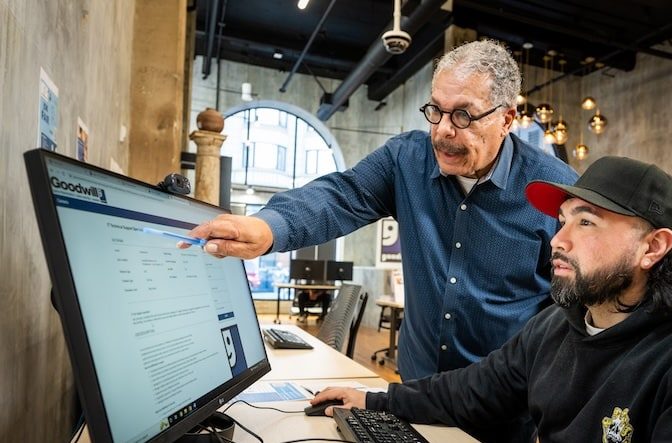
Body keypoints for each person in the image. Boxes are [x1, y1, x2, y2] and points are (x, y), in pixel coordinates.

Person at [309, 156, 672, 442]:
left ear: (653, 247)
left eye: (586, 221)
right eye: (563, 219)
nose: (558, 240)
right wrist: (377, 398)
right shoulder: (561, 325)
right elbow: (475, 390)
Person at [185, 39, 577, 381]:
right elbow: (341, 194)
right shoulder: (406, 159)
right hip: (416, 385)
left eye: (462, 115)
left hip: (502, 404)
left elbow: (573, 310)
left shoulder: (555, 191)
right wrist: (270, 227)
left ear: (506, 118)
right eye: (436, 111)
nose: (442, 130)